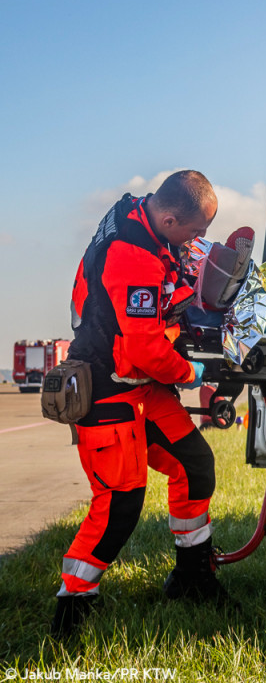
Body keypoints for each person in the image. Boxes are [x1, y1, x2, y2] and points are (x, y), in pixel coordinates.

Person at [52, 170, 229, 637]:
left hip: (139, 387)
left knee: (194, 466)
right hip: (108, 389)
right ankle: (73, 606)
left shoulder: (142, 215)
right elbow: (145, 350)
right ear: (169, 218)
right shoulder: (132, 256)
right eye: (194, 232)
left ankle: (192, 578)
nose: (199, 240)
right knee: (119, 505)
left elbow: (157, 298)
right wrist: (193, 373)